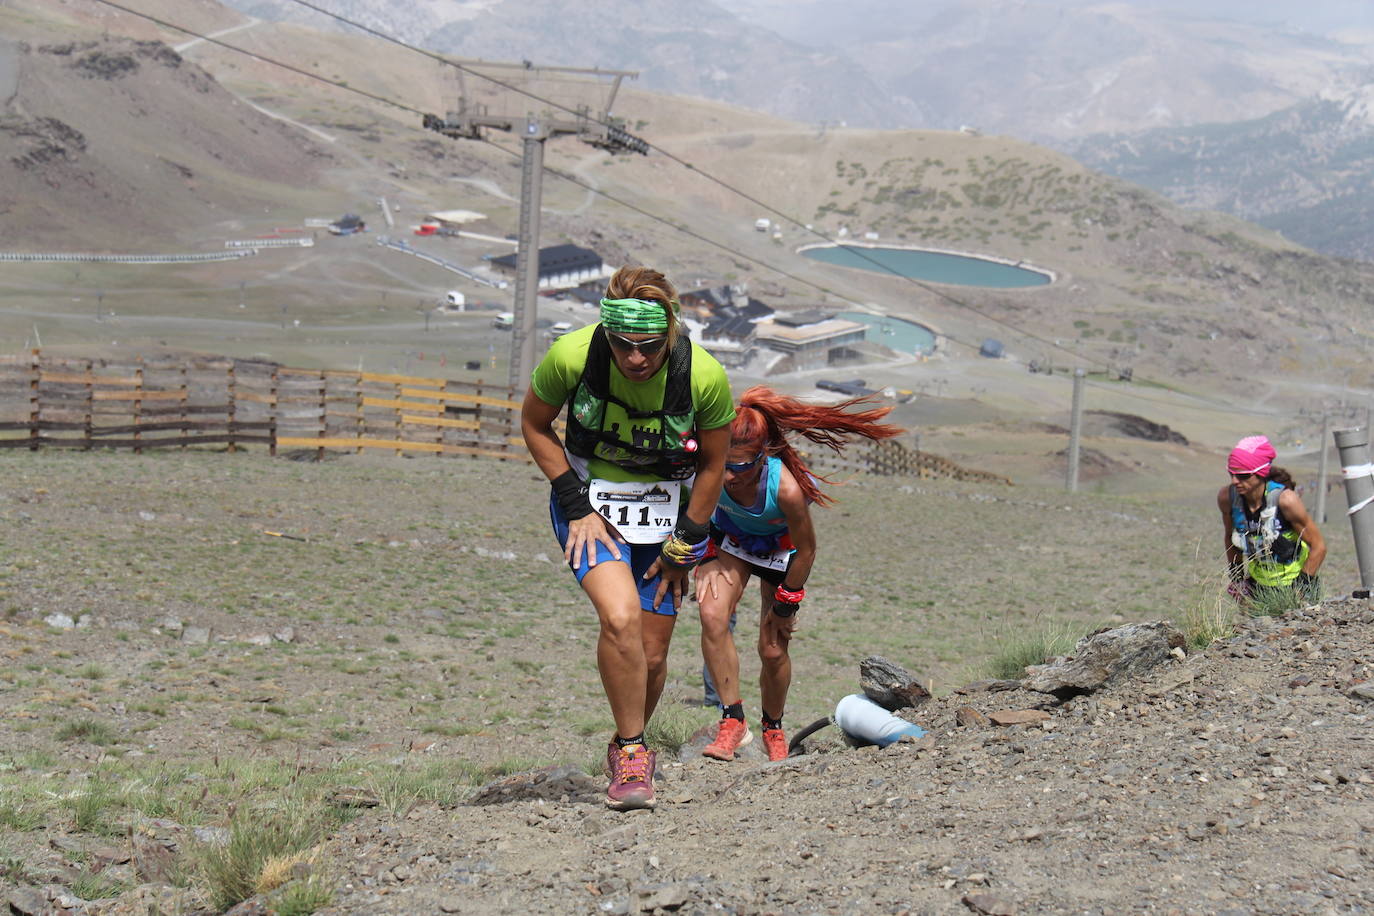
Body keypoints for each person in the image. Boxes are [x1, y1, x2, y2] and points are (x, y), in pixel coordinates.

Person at [521, 266, 734, 811]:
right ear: (607, 335)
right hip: (589, 503)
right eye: (623, 346)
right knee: (619, 618)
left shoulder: (704, 376)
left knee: (654, 655)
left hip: (667, 517)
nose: (635, 359)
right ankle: (636, 754)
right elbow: (534, 425)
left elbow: (713, 467)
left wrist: (683, 546)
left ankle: (622, 742)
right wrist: (575, 506)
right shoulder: (572, 356)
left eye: (648, 346)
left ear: (669, 334)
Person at [695, 386, 901, 762]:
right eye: (723, 464)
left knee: (772, 649)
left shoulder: (786, 488)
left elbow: (807, 550)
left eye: (739, 467)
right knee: (711, 614)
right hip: (732, 542)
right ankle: (732, 721)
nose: (727, 478)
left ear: (762, 457)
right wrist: (704, 553)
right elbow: (690, 507)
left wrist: (787, 604)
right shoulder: (711, 467)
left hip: (780, 552)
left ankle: (773, 727)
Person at [1216, 435, 1326, 603]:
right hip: (1256, 588)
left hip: (1294, 587)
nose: (1235, 481)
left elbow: (1319, 547)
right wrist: (1238, 580)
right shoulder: (1227, 498)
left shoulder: (1286, 501)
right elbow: (1230, 539)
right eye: (1231, 474)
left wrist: (1301, 588)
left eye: (1243, 476)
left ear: (1261, 473)